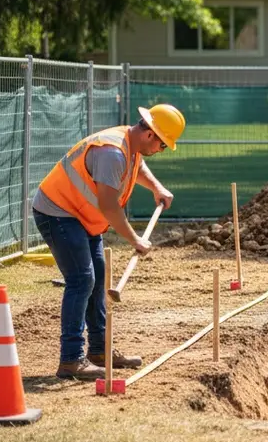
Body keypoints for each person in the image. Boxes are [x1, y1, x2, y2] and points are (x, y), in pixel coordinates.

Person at [33, 104, 185, 380]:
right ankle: (71, 359)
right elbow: (108, 205)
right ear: (151, 135)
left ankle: (100, 351)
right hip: (58, 212)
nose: (160, 151)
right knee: (82, 280)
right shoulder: (112, 152)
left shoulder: (129, 145)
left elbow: (137, 165)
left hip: (81, 216)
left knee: (97, 276)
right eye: (163, 146)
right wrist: (135, 240)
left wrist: (157, 187)